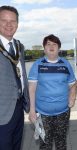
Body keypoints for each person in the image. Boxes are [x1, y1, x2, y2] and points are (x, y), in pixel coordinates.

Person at [28, 34, 76, 150]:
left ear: (59, 48)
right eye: (48, 44)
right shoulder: (37, 65)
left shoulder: (65, 64)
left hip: (63, 112)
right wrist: (32, 110)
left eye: (54, 44)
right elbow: (32, 88)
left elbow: (73, 84)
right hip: (42, 113)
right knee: (45, 143)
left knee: (61, 142)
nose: (51, 46)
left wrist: (72, 98)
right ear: (44, 48)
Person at [0, 5, 30, 150]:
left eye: (13, 21)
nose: (9, 24)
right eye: (4, 20)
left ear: (17, 24)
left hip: (18, 108)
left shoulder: (19, 46)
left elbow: (22, 75)